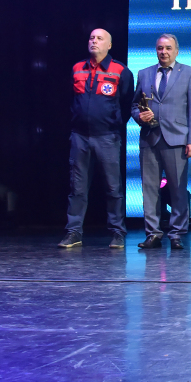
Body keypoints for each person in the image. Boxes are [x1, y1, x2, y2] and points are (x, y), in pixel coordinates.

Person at [58, 29, 135, 249]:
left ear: (109, 45)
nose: (94, 41)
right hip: (80, 137)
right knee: (77, 188)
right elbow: (69, 100)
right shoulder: (77, 68)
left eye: (100, 39)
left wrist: (114, 124)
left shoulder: (120, 70)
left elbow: (127, 103)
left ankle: (117, 232)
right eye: (92, 38)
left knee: (113, 188)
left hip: (107, 137)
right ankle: (73, 232)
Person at [132, 34, 191, 250]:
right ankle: (153, 233)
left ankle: (177, 233)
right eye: (160, 48)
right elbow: (134, 105)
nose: (164, 52)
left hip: (177, 139)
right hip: (150, 138)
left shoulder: (189, 73)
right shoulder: (144, 73)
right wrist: (139, 116)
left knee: (178, 190)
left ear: (176, 51)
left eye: (168, 48)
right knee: (149, 189)